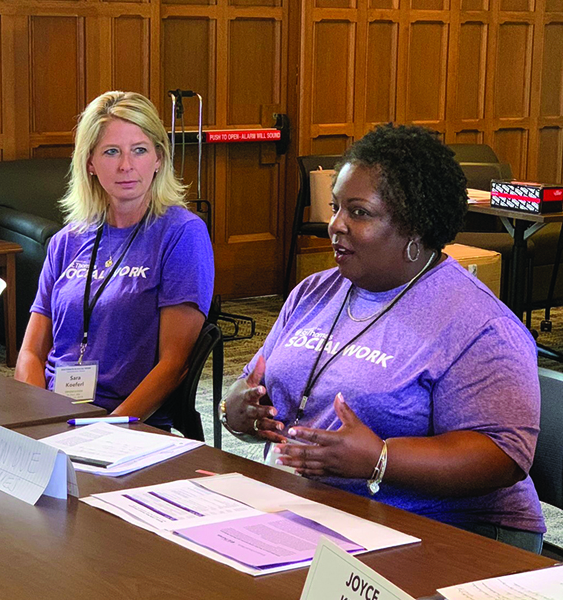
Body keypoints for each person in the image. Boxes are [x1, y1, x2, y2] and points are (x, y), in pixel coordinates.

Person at [221, 123, 545, 552]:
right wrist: (240, 408)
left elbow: (503, 455)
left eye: (359, 212)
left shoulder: (479, 322)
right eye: (336, 207)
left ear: (415, 225)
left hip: (452, 531)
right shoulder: (314, 292)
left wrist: (380, 459)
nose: (335, 225)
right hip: (318, 510)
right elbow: (249, 384)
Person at [15, 91, 214, 429]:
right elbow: (30, 353)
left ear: (159, 158)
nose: (126, 165)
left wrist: (105, 432)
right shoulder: (67, 240)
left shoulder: (182, 234)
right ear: (89, 162)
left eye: (139, 150)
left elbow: (174, 364)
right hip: (52, 413)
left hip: (126, 424)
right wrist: (40, 419)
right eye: (111, 152)